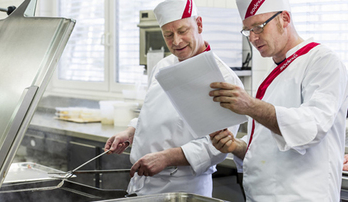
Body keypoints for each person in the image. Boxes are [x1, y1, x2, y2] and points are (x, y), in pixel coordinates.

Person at [209, 0, 348, 201]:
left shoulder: (322, 61)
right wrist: (236, 147)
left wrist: (250, 106)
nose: (253, 38)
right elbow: (267, 144)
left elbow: (312, 126)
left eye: (259, 27)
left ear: (285, 19)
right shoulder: (275, 71)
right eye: (247, 31)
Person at [104, 0, 244, 197]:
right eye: (168, 35)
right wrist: (130, 132)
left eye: (183, 31)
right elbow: (150, 113)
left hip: (183, 188)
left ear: (200, 25)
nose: (176, 41)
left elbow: (217, 145)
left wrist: (167, 157)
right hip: (141, 185)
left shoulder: (224, 78)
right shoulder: (163, 66)